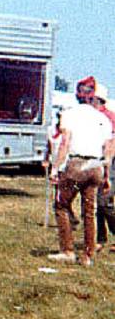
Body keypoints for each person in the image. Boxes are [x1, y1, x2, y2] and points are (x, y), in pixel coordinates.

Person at [48, 79, 114, 266]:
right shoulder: (103, 119)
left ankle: (67, 250)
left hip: (77, 164)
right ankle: (88, 255)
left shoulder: (69, 115)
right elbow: (108, 149)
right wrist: (107, 175)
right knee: (89, 211)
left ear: (77, 94)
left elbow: (65, 143)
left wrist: (55, 168)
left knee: (62, 205)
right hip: (96, 166)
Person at [92, 83, 115, 252]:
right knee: (96, 202)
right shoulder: (91, 116)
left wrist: (108, 162)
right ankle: (100, 238)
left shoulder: (110, 117)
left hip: (110, 162)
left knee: (103, 201)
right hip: (95, 160)